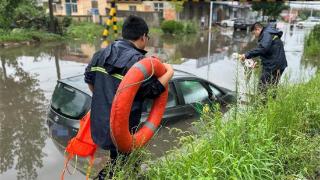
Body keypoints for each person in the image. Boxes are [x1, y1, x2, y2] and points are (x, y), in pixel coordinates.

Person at [84, 15, 174, 179]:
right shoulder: (138, 63)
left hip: (101, 123)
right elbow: (152, 91)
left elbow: (89, 81)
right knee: (122, 162)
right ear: (143, 37)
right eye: (148, 37)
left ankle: (129, 174)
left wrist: (105, 100)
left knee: (122, 158)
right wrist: (170, 72)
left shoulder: (100, 54)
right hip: (124, 128)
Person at [239, 22, 287, 100]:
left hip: (273, 66)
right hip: (277, 64)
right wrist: (258, 62)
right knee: (272, 86)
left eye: (254, 33)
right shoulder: (269, 32)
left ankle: (261, 107)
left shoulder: (266, 34)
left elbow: (263, 48)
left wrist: (246, 55)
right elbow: (269, 50)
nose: (255, 36)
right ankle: (270, 106)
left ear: (258, 29)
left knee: (262, 87)